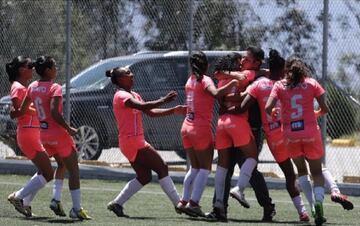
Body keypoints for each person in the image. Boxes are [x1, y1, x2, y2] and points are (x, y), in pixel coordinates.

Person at [227, 49, 310, 222]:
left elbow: (243, 106)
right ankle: (303, 211)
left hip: (273, 138)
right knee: (296, 174)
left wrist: (227, 109)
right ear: (283, 71)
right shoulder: (287, 84)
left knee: (276, 170)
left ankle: (239, 190)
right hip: (290, 133)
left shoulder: (259, 85)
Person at [13, 56, 91, 220]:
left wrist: (15, 113)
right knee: (74, 170)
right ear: (48, 70)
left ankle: (55, 200)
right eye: (54, 66)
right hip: (58, 134)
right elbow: (55, 113)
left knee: (61, 165)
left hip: (43, 134)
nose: (57, 69)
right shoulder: (55, 87)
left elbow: (23, 109)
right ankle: (76, 209)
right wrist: (68, 128)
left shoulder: (33, 86)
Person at [207, 48, 275, 222]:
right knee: (235, 167)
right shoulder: (243, 74)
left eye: (247, 59)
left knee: (243, 169)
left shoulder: (258, 78)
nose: (243, 60)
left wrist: (226, 100)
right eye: (241, 58)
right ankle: (220, 208)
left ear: (257, 62)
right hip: (239, 125)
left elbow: (220, 77)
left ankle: (265, 206)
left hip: (247, 126)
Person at [105, 66, 184, 217]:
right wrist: (164, 100)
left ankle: (117, 203)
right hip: (133, 141)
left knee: (144, 177)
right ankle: (179, 204)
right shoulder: (121, 95)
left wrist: (173, 110)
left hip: (131, 142)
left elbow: (151, 112)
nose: (132, 75)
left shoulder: (133, 94)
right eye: (128, 73)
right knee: (162, 167)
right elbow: (142, 106)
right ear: (120, 79)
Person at [265, 56, 328, 225]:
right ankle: (319, 202)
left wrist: (274, 113)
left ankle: (312, 206)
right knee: (317, 172)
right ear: (303, 69)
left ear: (286, 69)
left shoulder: (279, 85)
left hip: (290, 135)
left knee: (301, 171)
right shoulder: (312, 83)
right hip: (310, 133)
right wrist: (315, 114)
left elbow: (267, 108)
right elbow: (325, 108)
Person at [175, 51, 238, 217]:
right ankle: (194, 203)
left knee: (194, 167)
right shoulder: (205, 80)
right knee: (205, 168)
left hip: (186, 127)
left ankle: (183, 201)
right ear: (206, 65)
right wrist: (233, 82)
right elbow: (216, 94)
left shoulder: (190, 80)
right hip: (199, 129)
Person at [6, 56, 54, 217]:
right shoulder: (18, 87)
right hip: (27, 133)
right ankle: (19, 197)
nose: (33, 69)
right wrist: (44, 113)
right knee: (48, 173)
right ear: (21, 70)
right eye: (30, 66)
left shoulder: (23, 86)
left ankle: (24, 202)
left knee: (45, 171)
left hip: (33, 133)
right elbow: (18, 108)